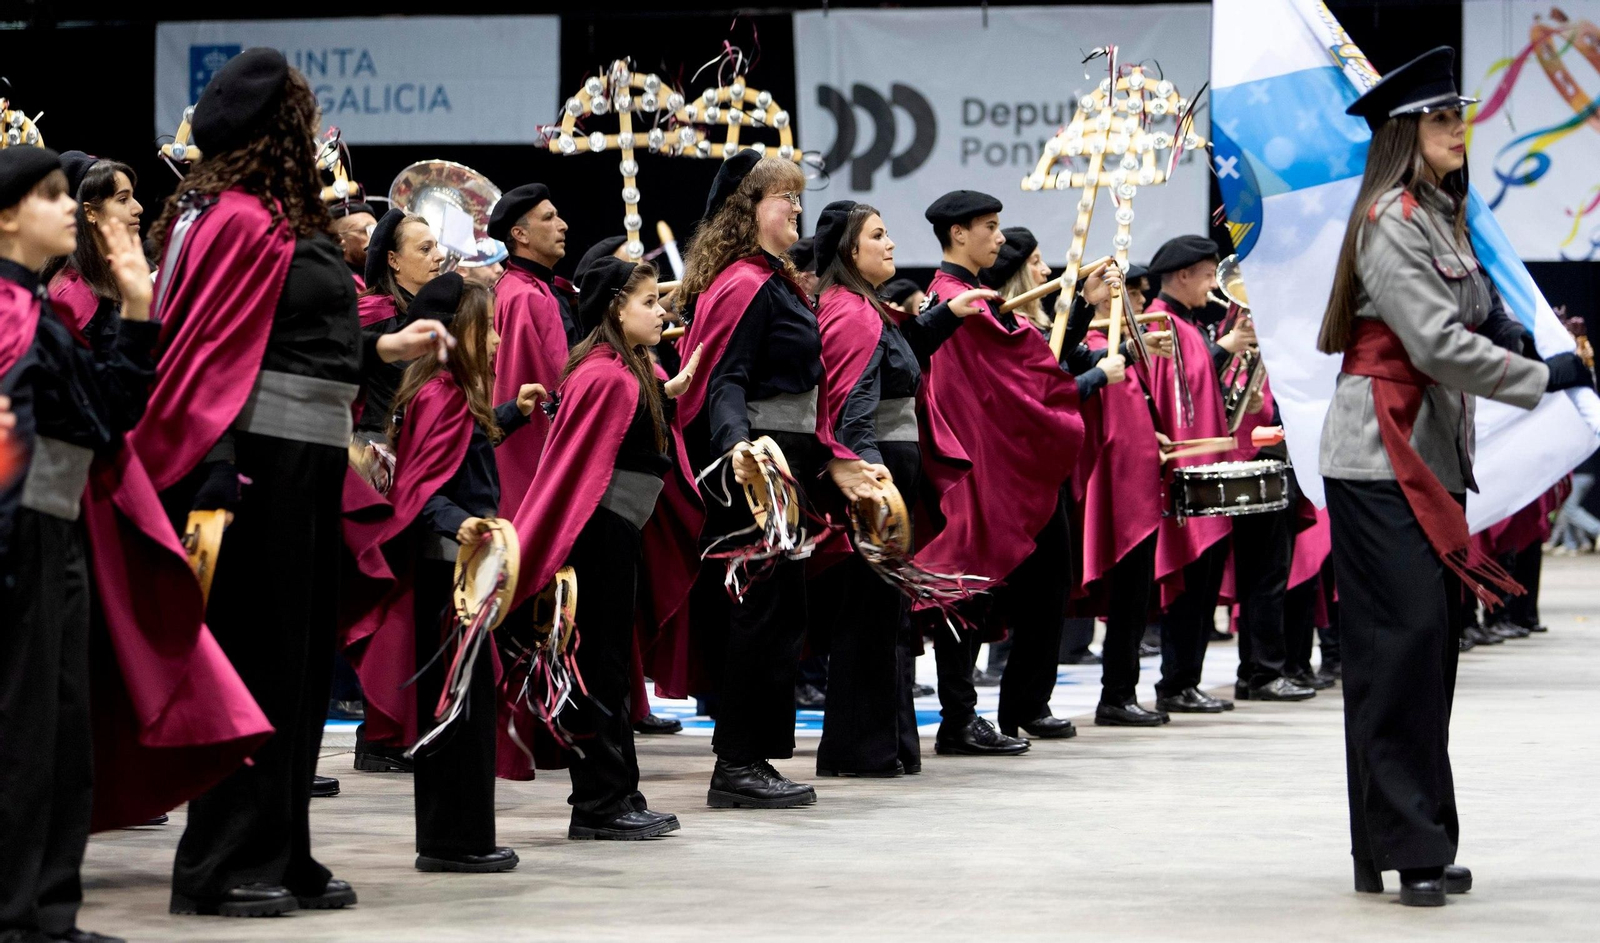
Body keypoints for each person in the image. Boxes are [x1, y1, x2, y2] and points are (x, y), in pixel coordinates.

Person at [136, 49, 452, 917]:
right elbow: (201, 356)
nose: (314, 131)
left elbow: (294, 341)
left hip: (311, 455)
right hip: (258, 463)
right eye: (303, 116)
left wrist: (385, 348)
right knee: (257, 659)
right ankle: (220, 860)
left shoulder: (272, 217)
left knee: (303, 664)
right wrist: (215, 469)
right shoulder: (231, 219)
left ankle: (283, 845)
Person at [1319, 45, 1590, 905]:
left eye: (1459, 114)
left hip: (1427, 454)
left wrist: (1516, 335)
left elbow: (1473, 314)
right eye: (1442, 117)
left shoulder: (1442, 213)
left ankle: (1402, 833)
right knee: (1398, 648)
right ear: (1406, 133)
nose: (1458, 128)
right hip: (1377, 454)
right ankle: (1409, 844)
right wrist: (1542, 378)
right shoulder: (1391, 218)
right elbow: (1434, 343)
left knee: (1426, 650)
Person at [0, 145, 268, 943]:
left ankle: (49, 911)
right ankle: (14, 915)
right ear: (8, 216)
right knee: (22, 733)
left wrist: (140, 305)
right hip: (22, 540)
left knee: (63, 727)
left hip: (59, 530)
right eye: (51, 196)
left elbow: (110, 415)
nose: (67, 209)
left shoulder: (41, 310)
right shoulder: (10, 315)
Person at [673, 150, 879, 808]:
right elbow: (724, 381)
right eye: (782, 197)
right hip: (757, 477)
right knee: (762, 616)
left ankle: (750, 757)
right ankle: (736, 762)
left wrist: (833, 458)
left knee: (782, 615)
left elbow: (800, 394)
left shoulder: (775, 279)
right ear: (747, 210)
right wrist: (741, 452)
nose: (796, 207)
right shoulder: (744, 283)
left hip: (782, 470)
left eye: (797, 196)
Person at [342, 273, 532, 872]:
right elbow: (423, 493)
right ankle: (457, 840)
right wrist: (464, 525)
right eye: (489, 328)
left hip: (459, 575)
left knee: (463, 708)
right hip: (451, 578)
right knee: (458, 712)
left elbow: (454, 459)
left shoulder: (449, 394)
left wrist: (512, 413)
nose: (499, 341)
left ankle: (459, 836)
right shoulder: (441, 395)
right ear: (456, 334)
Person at [507, 257, 702, 836]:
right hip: (599, 536)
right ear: (616, 307)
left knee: (612, 667)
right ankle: (598, 804)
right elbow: (578, 471)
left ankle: (620, 793)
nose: (660, 310)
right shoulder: (604, 374)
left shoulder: (626, 368)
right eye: (648, 302)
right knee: (600, 667)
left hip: (617, 532)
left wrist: (668, 394)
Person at [811, 199, 998, 777]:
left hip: (885, 481)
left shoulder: (864, 307)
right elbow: (852, 414)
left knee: (883, 621)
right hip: (875, 490)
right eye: (878, 236)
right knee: (868, 624)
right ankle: (864, 751)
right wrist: (870, 485)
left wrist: (949, 314)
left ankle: (879, 747)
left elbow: (899, 359)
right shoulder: (851, 312)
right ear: (849, 251)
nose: (891, 245)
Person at [914, 192, 1105, 753]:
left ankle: (980, 714)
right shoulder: (959, 300)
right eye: (990, 228)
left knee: (986, 589)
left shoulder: (959, 298)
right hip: (975, 463)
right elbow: (1030, 371)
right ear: (958, 235)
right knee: (966, 588)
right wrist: (1083, 370)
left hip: (983, 458)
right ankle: (960, 718)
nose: (1000, 239)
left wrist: (1082, 311)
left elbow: (1032, 364)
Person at [1140, 236, 1261, 713]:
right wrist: (1224, 348)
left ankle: (1186, 679)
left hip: (1207, 472)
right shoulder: (1161, 324)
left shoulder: (1188, 324)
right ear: (1184, 275)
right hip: (1183, 474)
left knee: (1204, 584)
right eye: (1209, 275)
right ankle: (1174, 683)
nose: (1215, 285)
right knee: (1187, 587)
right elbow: (1172, 389)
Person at [487, 183, 572, 515]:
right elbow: (554, 384)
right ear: (520, 234)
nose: (562, 225)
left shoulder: (514, 287)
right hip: (530, 455)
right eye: (549, 218)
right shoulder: (527, 297)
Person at [353, 209, 443, 438]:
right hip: (376, 448)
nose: (439, 255)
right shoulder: (372, 312)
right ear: (393, 260)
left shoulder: (434, 312)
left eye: (436, 246)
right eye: (426, 249)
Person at [43, 151, 142, 355]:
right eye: (123, 199)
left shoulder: (113, 276)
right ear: (89, 212)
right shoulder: (73, 294)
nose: (138, 208)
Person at [328, 196, 376, 288]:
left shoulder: (387, 278)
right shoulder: (334, 286)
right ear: (339, 241)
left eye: (376, 229)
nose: (375, 236)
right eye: (366, 230)